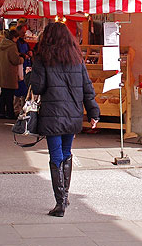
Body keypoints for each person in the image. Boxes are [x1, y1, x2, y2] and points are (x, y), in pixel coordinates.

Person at [29, 22, 100, 217]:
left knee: (56, 156)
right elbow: (88, 88)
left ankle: (60, 202)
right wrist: (93, 112)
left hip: (52, 114)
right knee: (66, 152)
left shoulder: (43, 58)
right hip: (73, 114)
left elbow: (37, 87)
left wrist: (33, 72)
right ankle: (65, 197)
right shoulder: (77, 59)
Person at [0, 28, 23, 120]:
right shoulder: (12, 46)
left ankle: (1, 112)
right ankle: (9, 113)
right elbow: (15, 60)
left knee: (4, 93)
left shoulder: (3, 44)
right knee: (9, 94)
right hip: (10, 73)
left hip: (3, 71)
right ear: (14, 37)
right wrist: (22, 59)